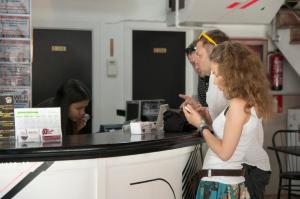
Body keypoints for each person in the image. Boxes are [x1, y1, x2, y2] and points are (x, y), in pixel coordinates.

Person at [183, 41, 273, 198]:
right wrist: (208, 120)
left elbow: (225, 153)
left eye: (217, 75)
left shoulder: (238, 105)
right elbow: (231, 134)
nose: (215, 81)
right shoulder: (243, 102)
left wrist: (201, 125)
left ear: (233, 74)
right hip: (222, 182)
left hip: (220, 184)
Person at [180, 29, 229, 126]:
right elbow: (216, 121)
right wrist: (203, 113)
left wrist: (201, 124)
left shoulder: (234, 82)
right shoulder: (212, 78)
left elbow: (228, 132)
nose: (197, 65)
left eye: (199, 55)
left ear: (214, 54)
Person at [185, 40, 209, 107]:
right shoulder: (202, 76)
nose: (196, 67)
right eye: (193, 64)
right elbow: (205, 105)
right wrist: (195, 103)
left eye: (198, 62)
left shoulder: (219, 78)